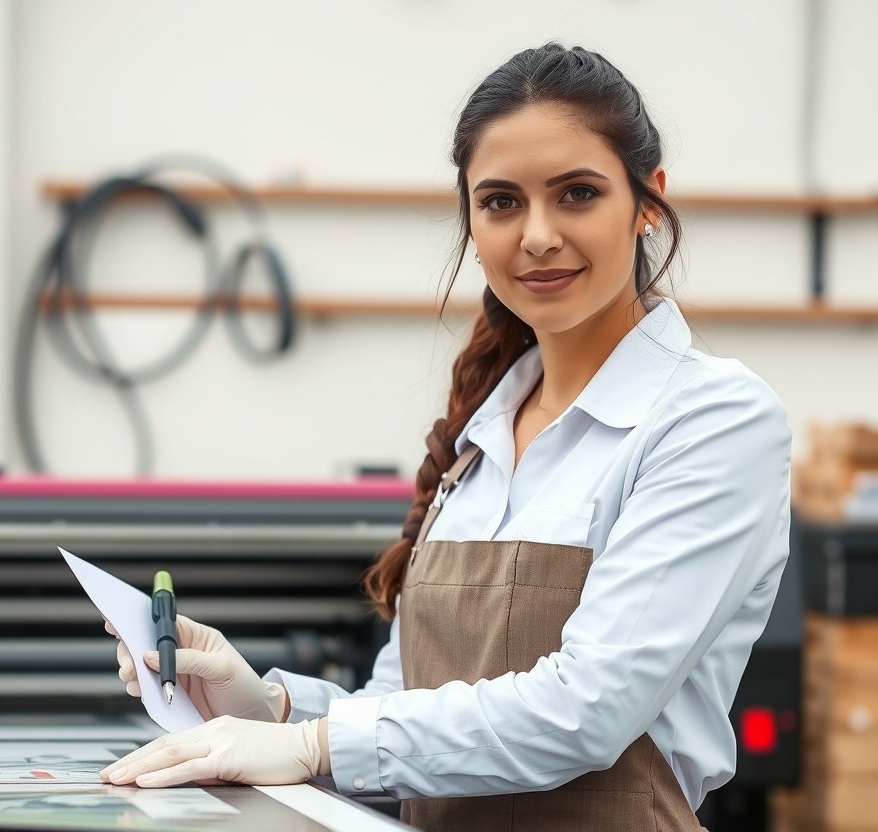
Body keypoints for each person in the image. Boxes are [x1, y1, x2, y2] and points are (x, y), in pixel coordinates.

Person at [99, 42, 792, 832]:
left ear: (647, 203)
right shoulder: (483, 434)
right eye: (500, 202)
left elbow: (588, 709)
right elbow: (401, 714)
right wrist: (258, 701)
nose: (537, 235)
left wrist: (310, 745)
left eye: (577, 193)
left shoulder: (713, 419)